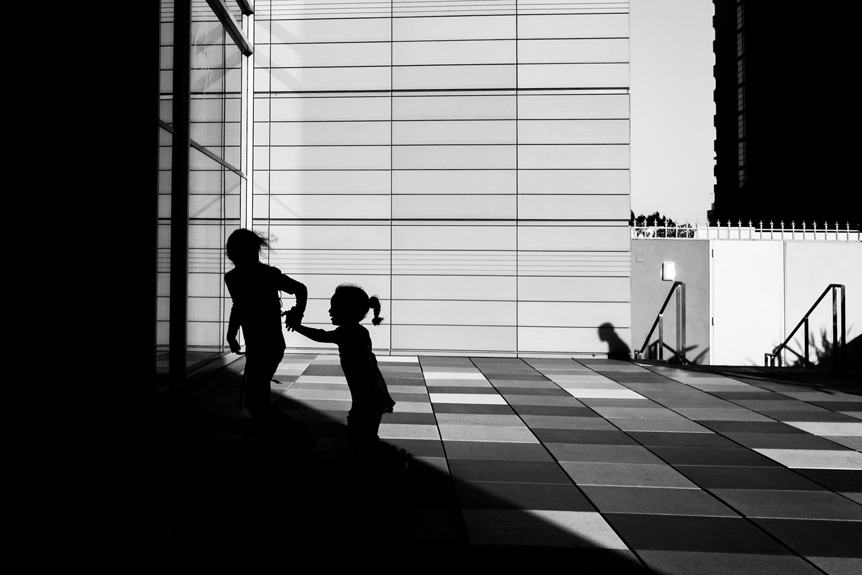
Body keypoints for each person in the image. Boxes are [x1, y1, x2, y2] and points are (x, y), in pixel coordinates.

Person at [286, 284, 409, 477]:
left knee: (361, 438)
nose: (330, 311)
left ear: (347, 310)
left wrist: (297, 326)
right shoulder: (358, 331)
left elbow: (321, 336)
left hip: (367, 395)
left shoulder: (348, 333)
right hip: (370, 393)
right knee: (362, 437)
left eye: (334, 307)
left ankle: (393, 461)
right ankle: (382, 463)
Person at [224, 228, 315, 462]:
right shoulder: (267, 274)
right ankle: (280, 438)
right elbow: (300, 289)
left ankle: (295, 435)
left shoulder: (233, 278)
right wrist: (297, 314)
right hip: (270, 344)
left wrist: (232, 333)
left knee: (255, 401)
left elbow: (238, 306)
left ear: (232, 253)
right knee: (258, 399)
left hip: (262, 345)